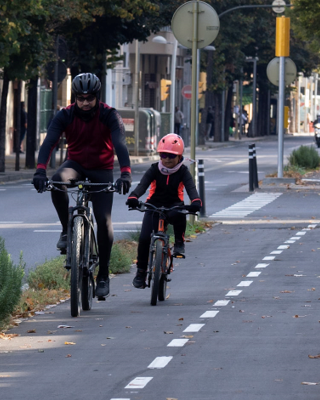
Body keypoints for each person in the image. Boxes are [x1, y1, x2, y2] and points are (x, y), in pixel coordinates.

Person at [32, 73, 131, 300]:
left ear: (97, 96)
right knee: (57, 180)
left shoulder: (109, 115)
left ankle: (103, 274)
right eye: (80, 98)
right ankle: (67, 230)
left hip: (102, 169)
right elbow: (49, 142)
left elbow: (119, 144)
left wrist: (125, 173)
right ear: (74, 97)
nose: (85, 102)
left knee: (104, 220)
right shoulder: (64, 115)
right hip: (75, 165)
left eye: (89, 98)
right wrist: (39, 170)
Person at [126, 133, 201, 289]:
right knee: (145, 238)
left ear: (180, 157)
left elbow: (191, 189)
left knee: (181, 214)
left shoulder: (183, 171)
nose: (167, 159)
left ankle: (179, 243)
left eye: (172, 156)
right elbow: (142, 185)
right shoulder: (154, 169)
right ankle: (141, 272)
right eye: (163, 155)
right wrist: (133, 197)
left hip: (174, 205)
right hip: (154, 205)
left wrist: (195, 201)